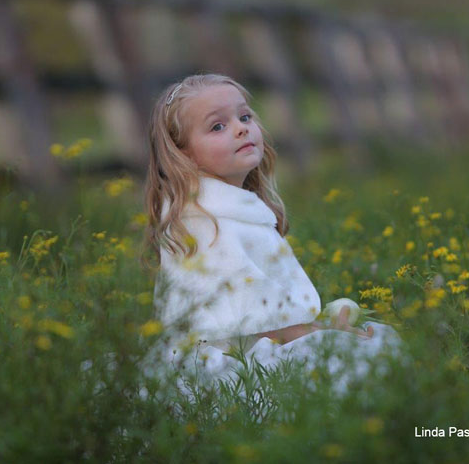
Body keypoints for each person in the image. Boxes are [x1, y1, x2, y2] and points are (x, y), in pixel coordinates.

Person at [140, 73, 402, 397]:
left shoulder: (227, 208)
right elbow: (262, 316)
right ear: (186, 155)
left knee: (363, 342)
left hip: (256, 344)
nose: (241, 128)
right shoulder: (204, 223)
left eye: (244, 116)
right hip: (229, 367)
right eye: (217, 126)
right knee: (368, 351)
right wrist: (325, 333)